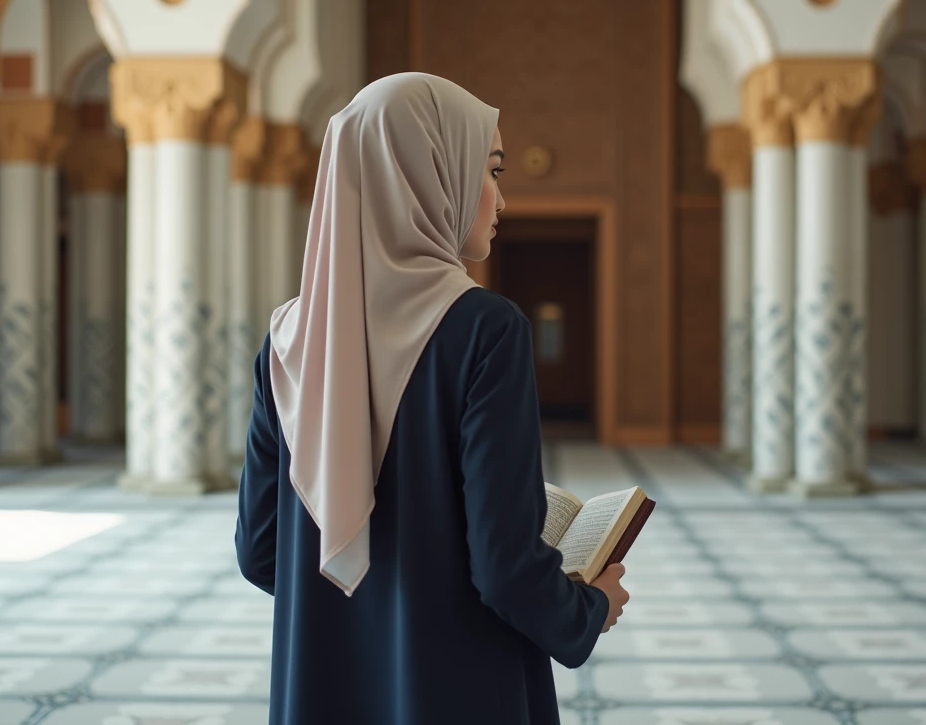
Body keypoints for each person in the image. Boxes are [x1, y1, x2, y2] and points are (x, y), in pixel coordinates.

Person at [235, 72, 630, 724]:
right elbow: (503, 568)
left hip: (324, 684)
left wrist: (365, 609)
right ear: (429, 174)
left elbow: (261, 550)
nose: (500, 200)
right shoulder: (486, 330)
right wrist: (590, 607)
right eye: (490, 170)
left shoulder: (287, 338)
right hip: (463, 685)